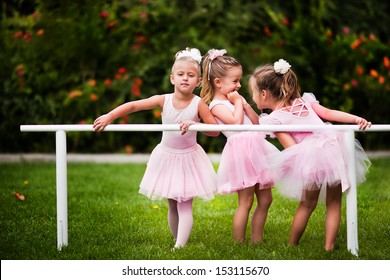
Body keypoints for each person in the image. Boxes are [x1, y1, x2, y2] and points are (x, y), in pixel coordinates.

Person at [93, 48, 220, 249]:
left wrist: (197, 125)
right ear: (172, 78)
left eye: (191, 75)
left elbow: (215, 131)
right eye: (180, 74)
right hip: (166, 157)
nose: (185, 78)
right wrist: (110, 116)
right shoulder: (164, 100)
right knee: (172, 202)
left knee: (184, 202)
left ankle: (180, 246)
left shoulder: (198, 104)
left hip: (189, 159)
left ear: (198, 82)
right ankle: (176, 238)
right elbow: (134, 106)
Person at [249, 58, 371, 250]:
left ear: (264, 94)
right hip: (335, 148)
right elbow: (329, 114)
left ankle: (292, 245)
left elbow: (292, 149)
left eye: (253, 93)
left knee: (307, 204)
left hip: (312, 157)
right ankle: (329, 247)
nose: (253, 97)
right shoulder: (304, 101)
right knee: (334, 203)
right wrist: (356, 119)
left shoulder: (274, 119)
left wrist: (296, 167)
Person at [200, 49, 279, 244]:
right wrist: (237, 103)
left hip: (257, 147)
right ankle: (239, 242)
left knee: (266, 200)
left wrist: (245, 105)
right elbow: (235, 123)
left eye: (239, 80)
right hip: (241, 151)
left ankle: (256, 240)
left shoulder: (235, 100)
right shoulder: (216, 105)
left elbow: (256, 122)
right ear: (218, 83)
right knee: (246, 201)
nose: (239, 85)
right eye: (235, 81)